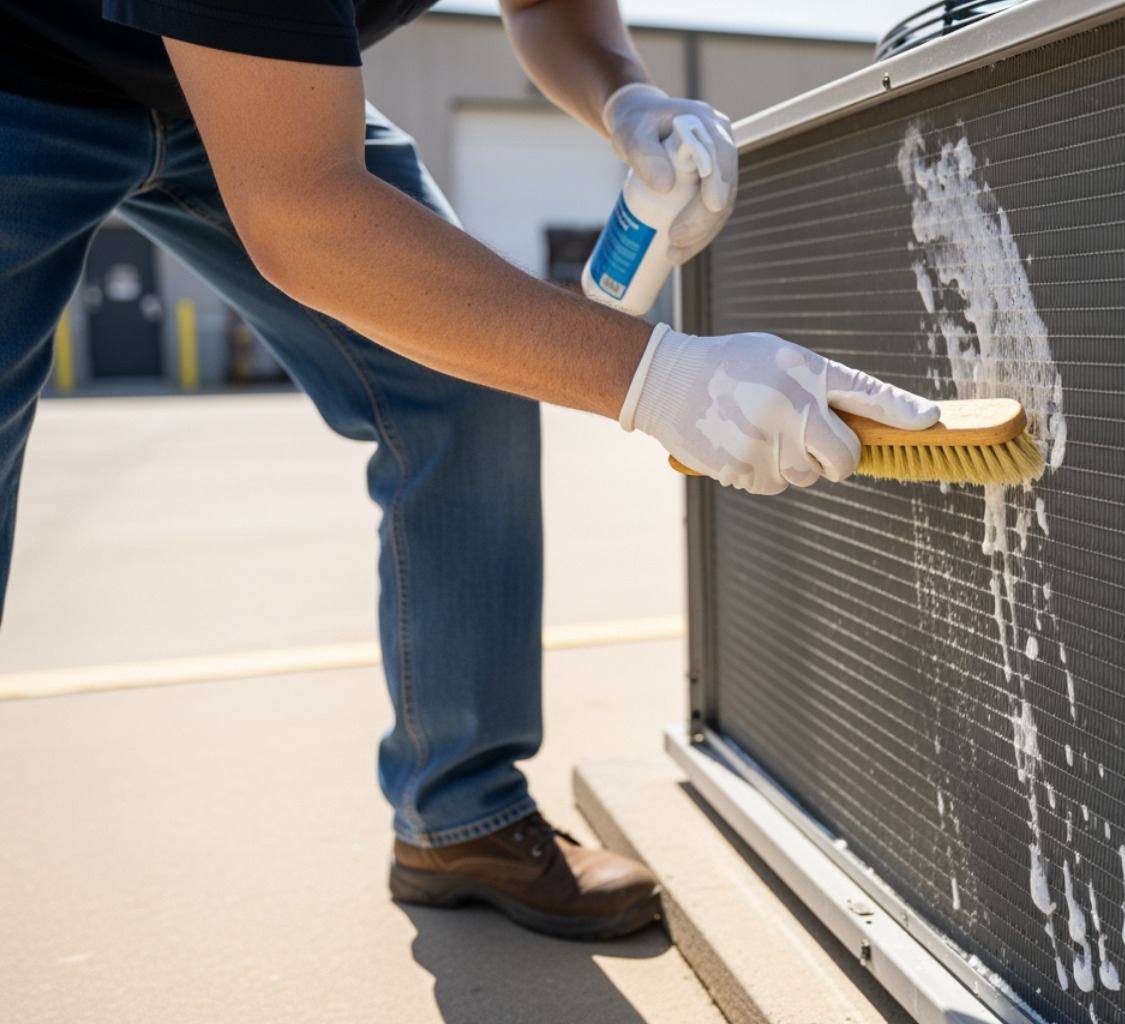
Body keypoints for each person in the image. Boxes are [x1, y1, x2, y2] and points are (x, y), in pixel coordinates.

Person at [0, 0, 939, 940]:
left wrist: (625, 95)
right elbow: (301, 210)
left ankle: (460, 817)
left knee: (468, 379)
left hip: (248, 79)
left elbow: (545, 7)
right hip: (29, 78)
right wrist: (655, 376)